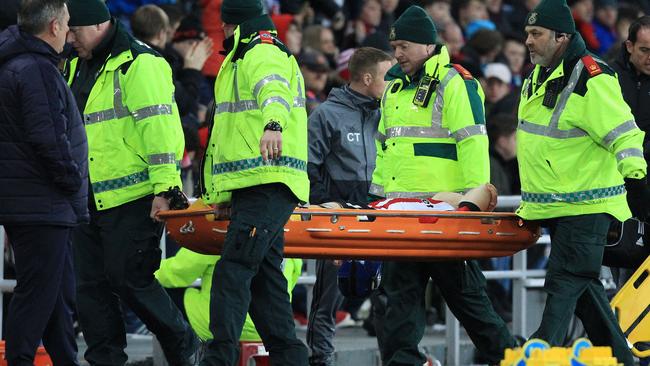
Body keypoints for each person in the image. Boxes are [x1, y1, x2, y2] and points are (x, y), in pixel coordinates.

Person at [370, 6, 516, 365]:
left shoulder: (457, 82)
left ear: (425, 45)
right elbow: (385, 147)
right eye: (394, 46)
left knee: (470, 303)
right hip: (401, 216)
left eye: (403, 45)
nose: (398, 54)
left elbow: (472, 141)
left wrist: (474, 200)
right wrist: (376, 200)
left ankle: (512, 359)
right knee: (400, 303)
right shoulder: (393, 89)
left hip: (446, 216)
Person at [64, 0, 199, 364]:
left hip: (135, 196)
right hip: (87, 198)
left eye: (73, 30)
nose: (68, 37)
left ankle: (183, 345)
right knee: (90, 289)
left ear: (94, 26)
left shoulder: (141, 63)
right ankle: (105, 359)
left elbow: (162, 132)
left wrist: (165, 189)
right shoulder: (75, 65)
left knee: (130, 280)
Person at [518, 1, 647, 364]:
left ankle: (537, 356)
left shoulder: (591, 78)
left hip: (588, 206)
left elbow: (623, 132)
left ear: (561, 37)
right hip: (558, 204)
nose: (528, 41)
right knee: (587, 295)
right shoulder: (538, 74)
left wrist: (635, 175)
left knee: (563, 282)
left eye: (536, 34)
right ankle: (623, 360)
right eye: (527, 33)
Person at [199, 0, 310, 364]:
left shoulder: (259, 50)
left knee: (233, 271)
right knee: (264, 280)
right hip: (258, 181)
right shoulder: (246, 53)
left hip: (267, 178)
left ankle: (220, 359)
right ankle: (290, 357)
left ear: (231, 24)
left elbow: (272, 90)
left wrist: (273, 124)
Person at [0, 0, 86, 364]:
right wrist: (71, 181)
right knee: (38, 296)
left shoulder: (26, 64)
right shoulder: (35, 69)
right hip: (42, 203)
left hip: (39, 202)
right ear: (53, 26)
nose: (70, 29)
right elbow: (49, 137)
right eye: (67, 21)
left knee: (56, 298)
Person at [306, 47, 393, 366]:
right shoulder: (326, 114)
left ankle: (393, 358)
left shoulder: (391, 111)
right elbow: (308, 167)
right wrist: (324, 202)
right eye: (388, 76)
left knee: (388, 295)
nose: (394, 81)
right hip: (339, 216)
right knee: (329, 296)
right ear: (367, 78)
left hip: (380, 212)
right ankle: (320, 358)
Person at [155, 248, 303, 343]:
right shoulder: (288, 236)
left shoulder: (216, 232)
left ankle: (186, 358)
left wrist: (144, 270)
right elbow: (290, 282)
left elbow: (176, 273)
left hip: (221, 325)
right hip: (272, 327)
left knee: (160, 292)